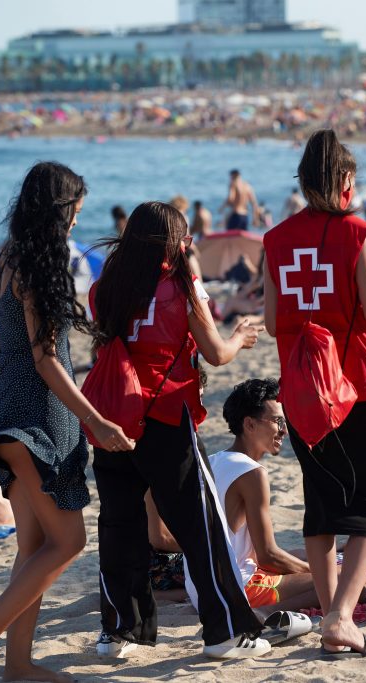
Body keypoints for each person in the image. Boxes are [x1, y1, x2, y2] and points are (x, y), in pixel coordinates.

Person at [0, 161, 135, 683]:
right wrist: (95, 420)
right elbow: (47, 358)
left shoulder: (4, 259)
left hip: (0, 405)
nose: (76, 224)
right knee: (69, 542)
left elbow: (2, 344)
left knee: (34, 548)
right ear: (56, 211)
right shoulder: (40, 264)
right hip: (37, 416)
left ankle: (17, 665)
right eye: (74, 214)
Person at [90, 201, 266, 660]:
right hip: (166, 413)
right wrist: (241, 336)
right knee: (201, 527)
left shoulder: (105, 287)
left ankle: (119, 632)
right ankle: (225, 632)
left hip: (113, 416)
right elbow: (215, 353)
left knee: (117, 526)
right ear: (173, 242)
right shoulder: (182, 287)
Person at [262, 129, 366, 658]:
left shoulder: (274, 239)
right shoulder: (356, 231)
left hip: (299, 385)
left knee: (320, 502)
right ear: (344, 180)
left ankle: (328, 612)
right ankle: (341, 617)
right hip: (353, 381)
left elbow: (272, 323)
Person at [184, 378, 366, 618]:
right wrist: (319, 573)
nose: (284, 430)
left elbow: (244, 549)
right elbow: (268, 555)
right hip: (235, 589)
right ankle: (266, 612)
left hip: (200, 589)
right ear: (249, 424)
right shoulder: (251, 473)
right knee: (358, 585)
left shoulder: (211, 461)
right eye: (277, 421)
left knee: (305, 558)